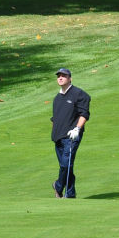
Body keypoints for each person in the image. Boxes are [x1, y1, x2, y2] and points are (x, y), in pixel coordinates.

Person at [50, 68, 90, 199]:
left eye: (64, 76)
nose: (60, 78)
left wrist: (77, 129)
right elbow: (54, 118)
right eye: (59, 76)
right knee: (67, 166)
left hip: (71, 136)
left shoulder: (78, 94)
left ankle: (58, 185)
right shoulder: (57, 98)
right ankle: (70, 194)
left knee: (66, 164)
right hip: (58, 138)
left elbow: (84, 113)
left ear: (70, 78)